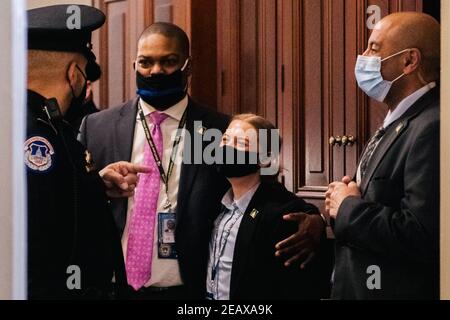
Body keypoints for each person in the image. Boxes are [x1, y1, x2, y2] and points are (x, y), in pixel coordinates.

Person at [79, 22, 325, 299]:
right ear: (134, 64)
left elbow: (265, 187)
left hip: (188, 291)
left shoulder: (220, 130)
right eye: (146, 62)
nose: (156, 71)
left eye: (169, 61)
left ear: (188, 67)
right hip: (113, 288)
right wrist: (99, 185)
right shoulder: (97, 127)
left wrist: (315, 219)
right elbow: (73, 200)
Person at [26, 5, 149, 299]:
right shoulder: (37, 136)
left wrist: (95, 184)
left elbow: (55, 200)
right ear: (74, 74)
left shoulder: (48, 125)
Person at [325, 12, 440, 300]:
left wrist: (348, 207)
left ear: (409, 61)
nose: (362, 56)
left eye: (374, 48)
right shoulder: (398, 120)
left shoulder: (432, 126)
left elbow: (420, 233)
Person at [206, 114, 327, 300]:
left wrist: (317, 218)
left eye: (242, 144)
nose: (227, 148)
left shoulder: (283, 211)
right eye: (225, 140)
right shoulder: (216, 201)